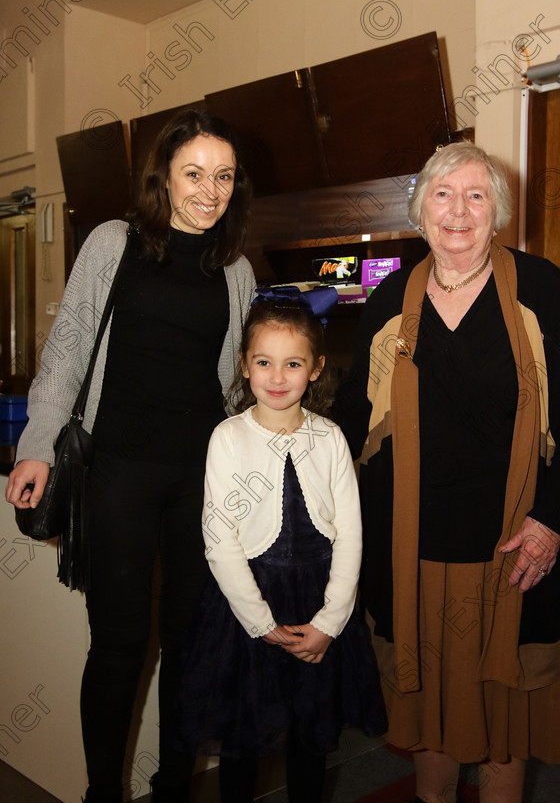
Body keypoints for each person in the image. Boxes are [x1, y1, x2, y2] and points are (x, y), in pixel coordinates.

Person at [5, 109, 256, 803]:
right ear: (164, 177)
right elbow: (67, 351)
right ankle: (101, 793)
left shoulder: (233, 267)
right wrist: (36, 447)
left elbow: (239, 381)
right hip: (117, 472)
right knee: (117, 648)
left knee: (186, 645)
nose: (210, 190)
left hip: (199, 481)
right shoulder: (114, 243)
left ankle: (174, 785)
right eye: (195, 174)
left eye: (224, 176)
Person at [334, 141, 560, 803]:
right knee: (428, 710)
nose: (457, 211)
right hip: (412, 552)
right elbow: (354, 416)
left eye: (475, 195)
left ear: (497, 213)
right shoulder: (392, 301)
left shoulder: (542, 289)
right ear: (420, 209)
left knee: (500, 720)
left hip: (514, 550)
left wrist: (552, 519)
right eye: (442, 194)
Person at [176, 288, 387, 803]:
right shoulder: (227, 437)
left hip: (317, 602)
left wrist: (331, 621)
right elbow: (218, 537)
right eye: (264, 362)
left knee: (310, 738)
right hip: (246, 609)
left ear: (315, 368)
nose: (276, 376)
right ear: (245, 366)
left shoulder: (331, 437)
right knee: (243, 742)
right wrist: (259, 621)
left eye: (292, 363)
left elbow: (351, 535)